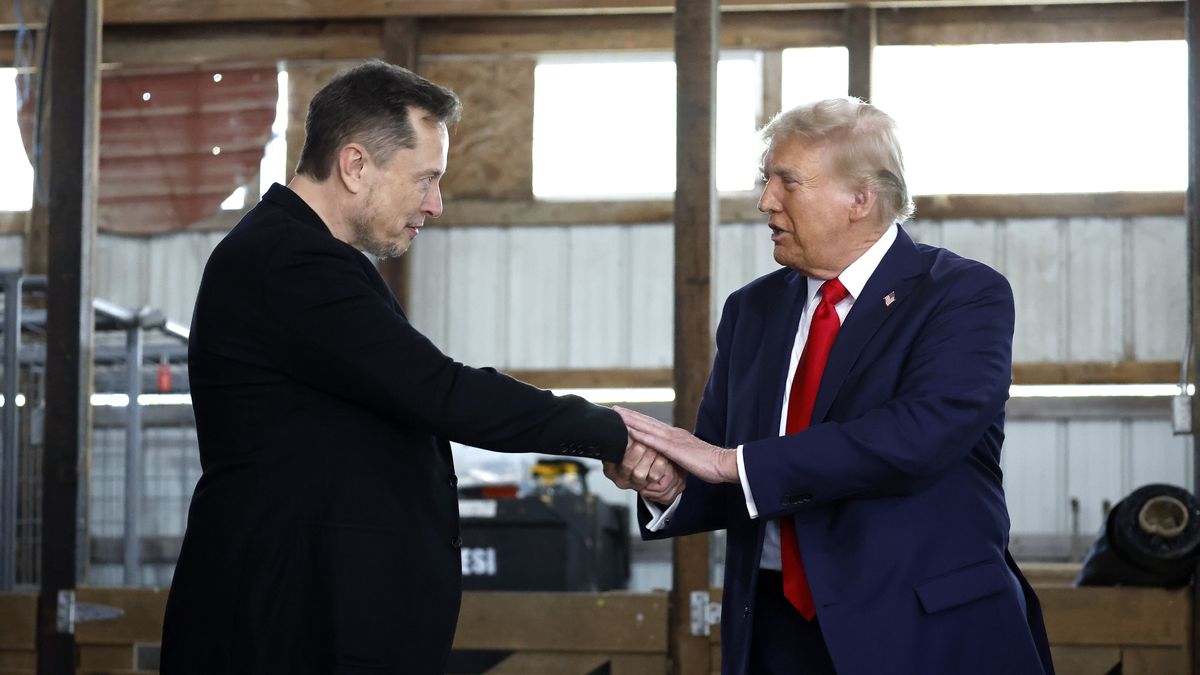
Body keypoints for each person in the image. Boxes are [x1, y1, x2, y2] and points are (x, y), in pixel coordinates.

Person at [160, 61, 665, 674]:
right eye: (425, 178)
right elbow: (441, 392)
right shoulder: (288, 264)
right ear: (355, 165)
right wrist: (618, 433)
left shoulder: (313, 259)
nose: (437, 203)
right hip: (285, 630)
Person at [607, 98, 1055, 675]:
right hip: (774, 632)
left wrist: (728, 464)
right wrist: (668, 485)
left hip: (922, 631)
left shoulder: (962, 294)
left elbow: (921, 436)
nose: (766, 200)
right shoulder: (751, 310)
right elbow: (726, 463)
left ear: (861, 199)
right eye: (764, 181)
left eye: (787, 182)